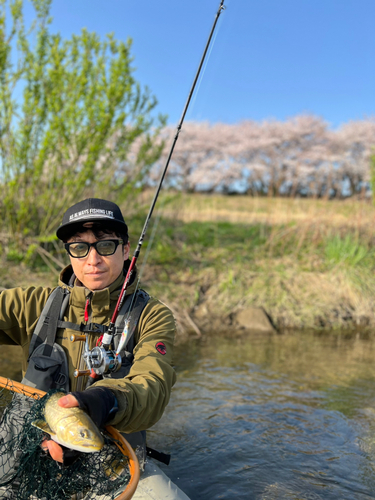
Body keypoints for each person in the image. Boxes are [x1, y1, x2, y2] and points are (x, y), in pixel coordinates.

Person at [0, 198, 190, 500]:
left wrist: (104, 400)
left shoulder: (153, 316)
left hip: (114, 464)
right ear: (69, 253)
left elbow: (153, 386)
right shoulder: (31, 304)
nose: (93, 260)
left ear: (126, 250)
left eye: (105, 246)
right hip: (30, 455)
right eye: (79, 247)